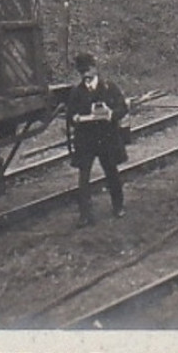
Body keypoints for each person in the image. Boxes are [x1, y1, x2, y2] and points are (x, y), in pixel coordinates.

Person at [65, 52, 129, 226]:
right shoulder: (76, 92)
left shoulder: (109, 87)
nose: (85, 75)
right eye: (82, 72)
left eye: (88, 70)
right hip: (86, 140)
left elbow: (122, 108)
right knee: (83, 177)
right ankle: (85, 215)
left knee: (111, 173)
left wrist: (111, 114)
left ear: (95, 68)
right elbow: (69, 115)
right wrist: (76, 118)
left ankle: (118, 206)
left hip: (106, 137)